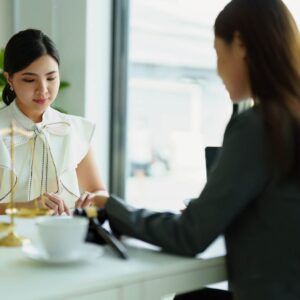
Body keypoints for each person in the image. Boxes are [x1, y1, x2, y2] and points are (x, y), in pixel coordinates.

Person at [78, 0, 300, 299]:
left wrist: (111, 206)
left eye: (218, 53)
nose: (218, 70)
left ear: (240, 44)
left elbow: (190, 235)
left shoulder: (258, 125)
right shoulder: (288, 116)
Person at [0, 29, 108, 215]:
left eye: (51, 78)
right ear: (9, 79)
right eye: (29, 79)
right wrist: (28, 207)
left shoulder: (73, 130)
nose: (43, 90)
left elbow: (99, 193)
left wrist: (90, 200)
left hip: (63, 238)